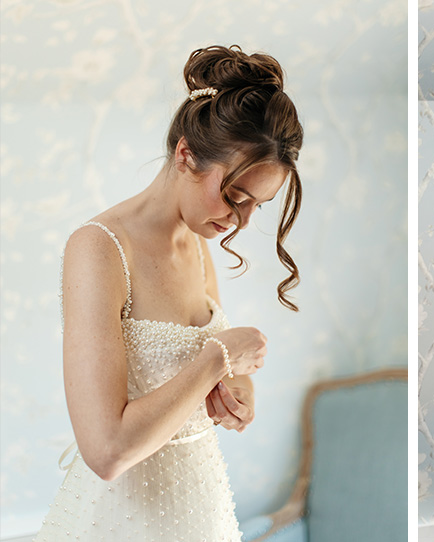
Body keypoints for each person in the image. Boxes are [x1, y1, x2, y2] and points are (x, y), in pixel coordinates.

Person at [34, 45, 304, 541]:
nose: (238, 223)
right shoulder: (99, 249)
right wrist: (219, 359)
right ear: (186, 155)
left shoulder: (196, 243)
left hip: (200, 509)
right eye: (235, 197)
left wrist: (237, 397)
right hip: (121, 520)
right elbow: (107, 451)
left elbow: (209, 378)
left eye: (256, 208)